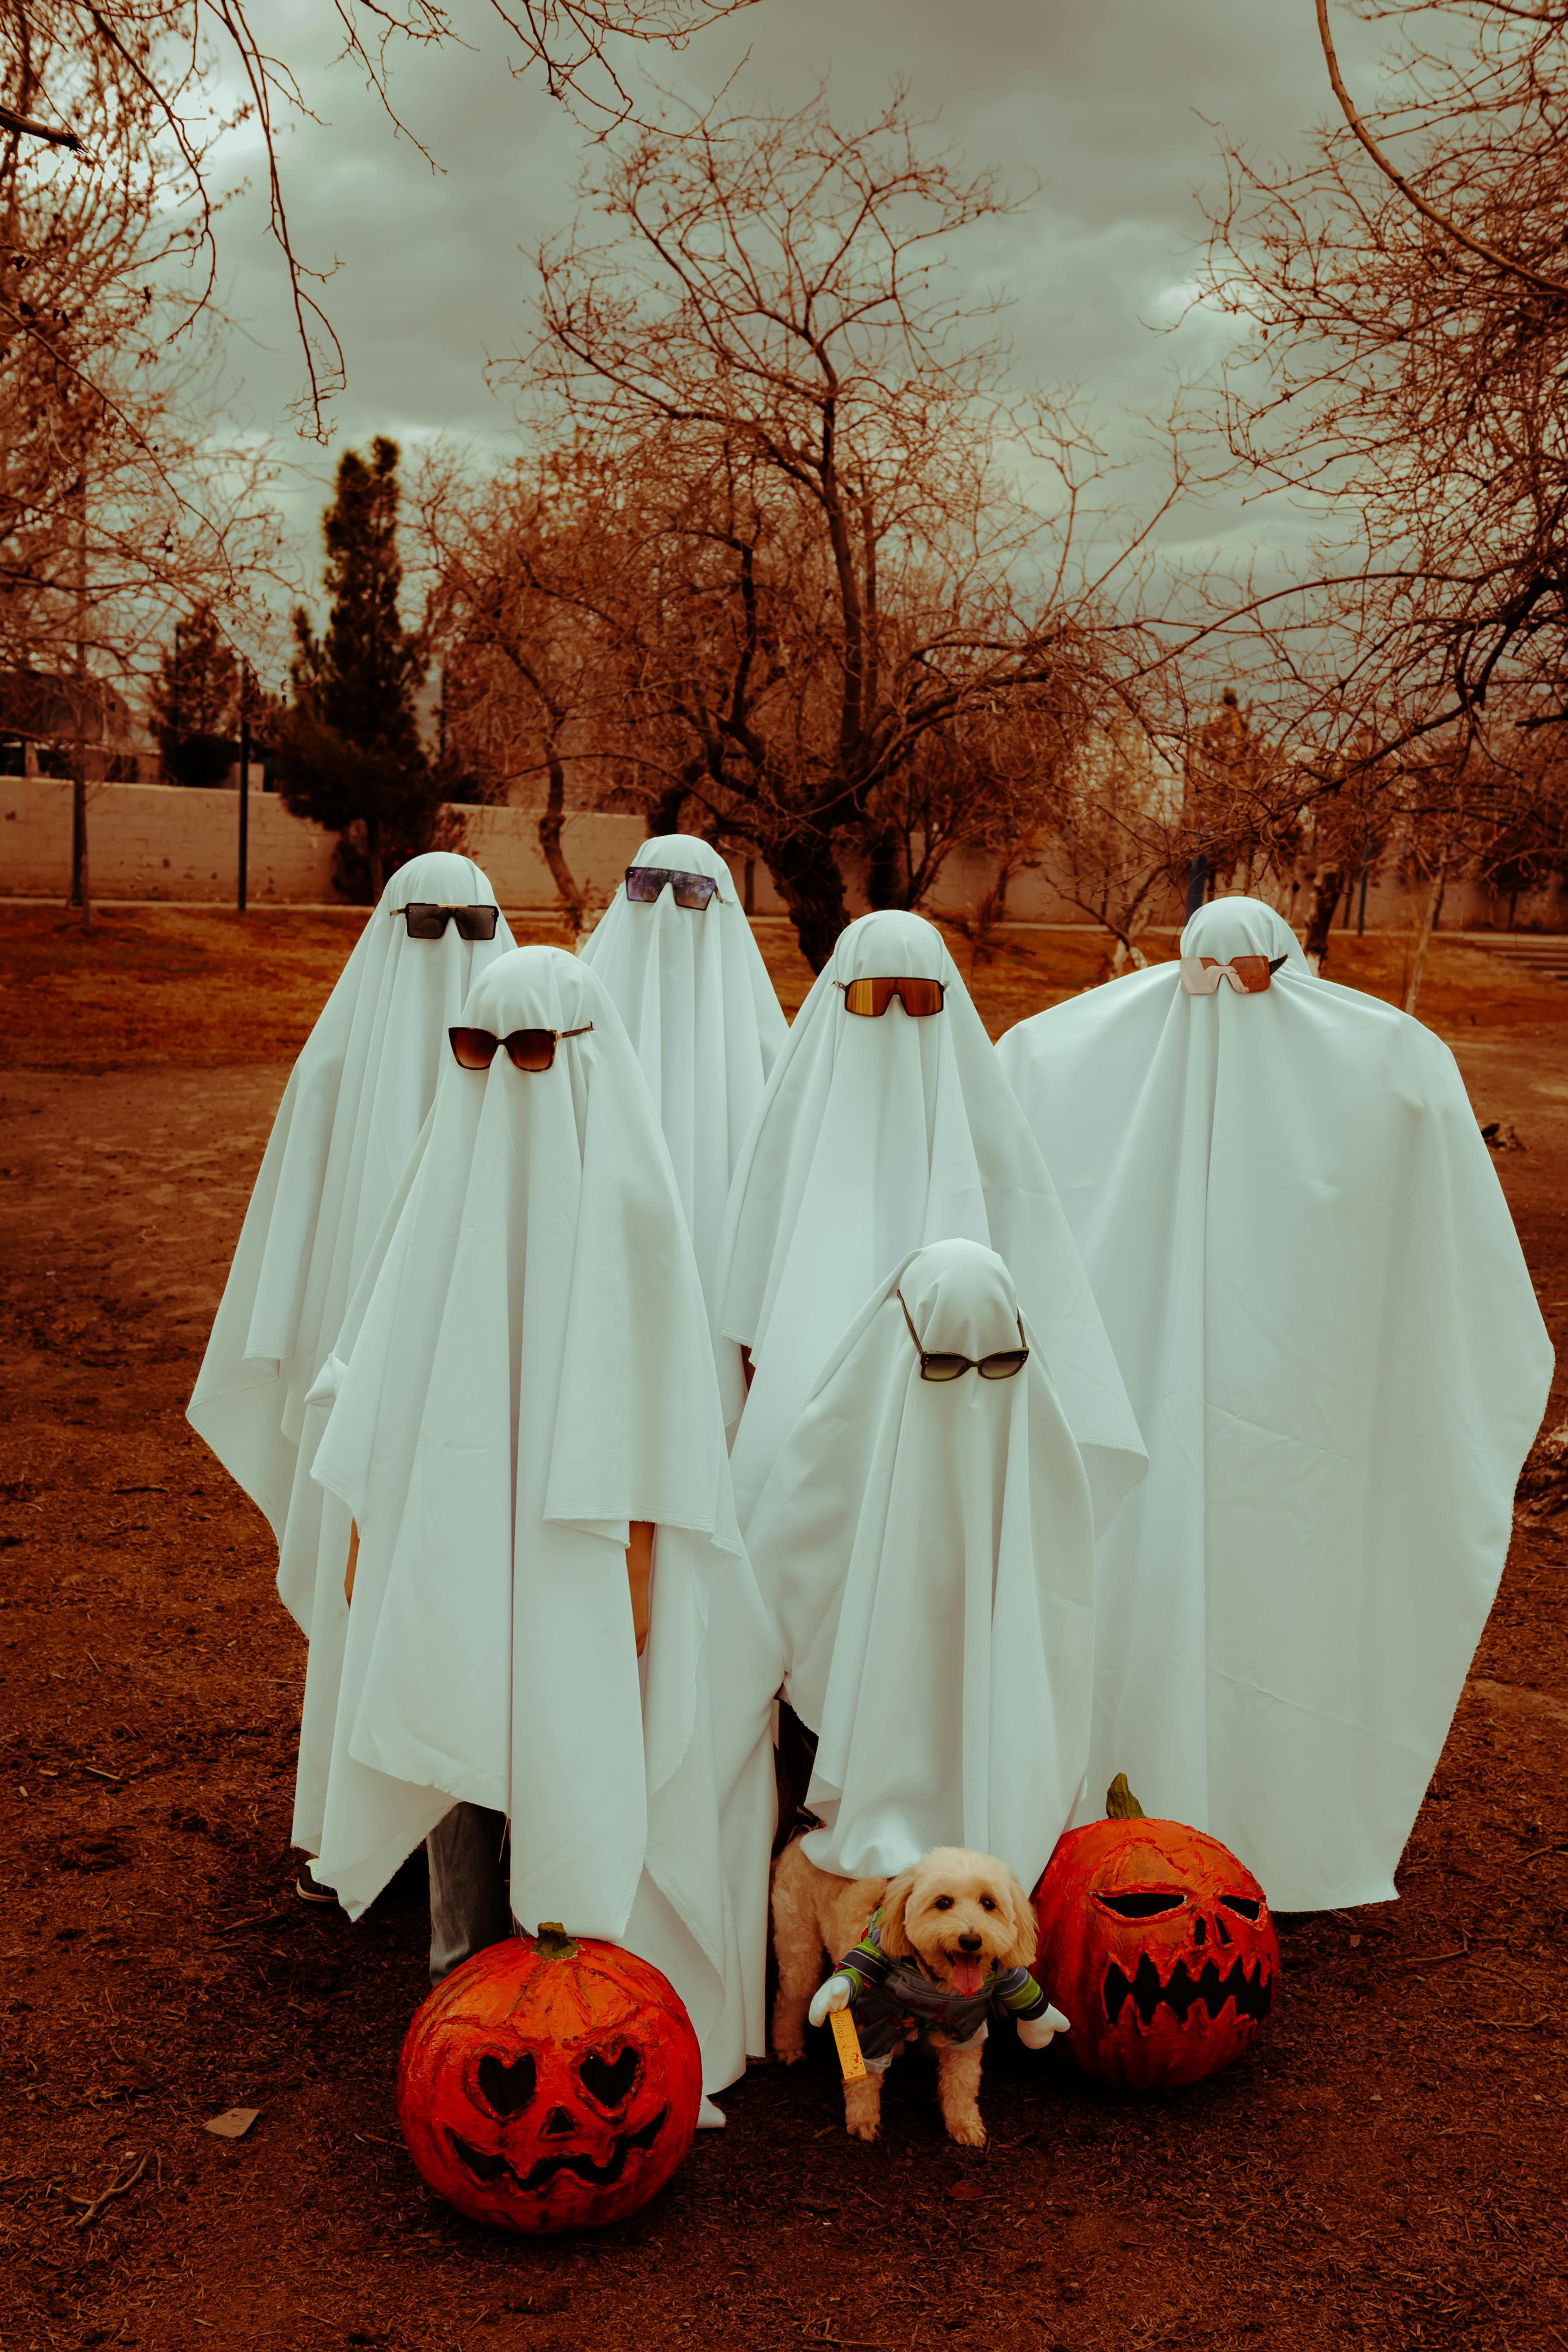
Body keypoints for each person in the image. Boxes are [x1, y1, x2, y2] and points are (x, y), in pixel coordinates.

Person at [996, 893, 1554, 1911]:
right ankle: (1213, 1822)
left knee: (1183, 1587)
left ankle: (1129, 1820)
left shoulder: (1060, 1053)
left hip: (1255, 1427)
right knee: (1237, 1596)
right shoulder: (1390, 1061)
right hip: (1292, 1432)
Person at [307, 946, 781, 2113]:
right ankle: (460, 1964)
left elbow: (659, 1393)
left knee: (567, 1731)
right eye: (475, 1049)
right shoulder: (441, 1178)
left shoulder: (629, 1198)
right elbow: (387, 1369)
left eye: (528, 1051)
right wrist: (374, 1520)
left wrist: (638, 1551)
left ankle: (567, 1960)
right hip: (456, 1524)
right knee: (456, 1709)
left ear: (575, 1054)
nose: (500, 1075)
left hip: (582, 1541)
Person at [186, 853, 514, 1883]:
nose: (450, 952)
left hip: (478, 1372)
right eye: (428, 925)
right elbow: (295, 1234)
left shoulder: (526, 1058)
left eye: (472, 925)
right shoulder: (334, 1070)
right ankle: (357, 1820)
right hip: (357, 1370)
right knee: (360, 1582)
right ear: (389, 926)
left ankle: (479, 1823)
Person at [716, 907, 1146, 1528]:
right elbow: (751, 1279)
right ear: (840, 994)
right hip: (803, 1418)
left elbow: (1037, 1266)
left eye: (918, 998)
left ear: (946, 997)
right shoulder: (789, 1118)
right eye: (872, 997)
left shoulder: (988, 1121)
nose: (896, 1015)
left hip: (963, 1409)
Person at [745, 1239, 1097, 1886]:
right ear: (903, 1340)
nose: (972, 1392)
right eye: (943, 1366)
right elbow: (783, 1578)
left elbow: (1064, 1608)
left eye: (999, 1363)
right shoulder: (845, 1429)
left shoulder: (1037, 1432)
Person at [577, 835, 787, 1323]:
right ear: (625, 889)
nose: (669, 909)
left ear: (718, 900)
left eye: (691, 891)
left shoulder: (763, 1041)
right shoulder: (575, 1008)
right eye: (649, 886)